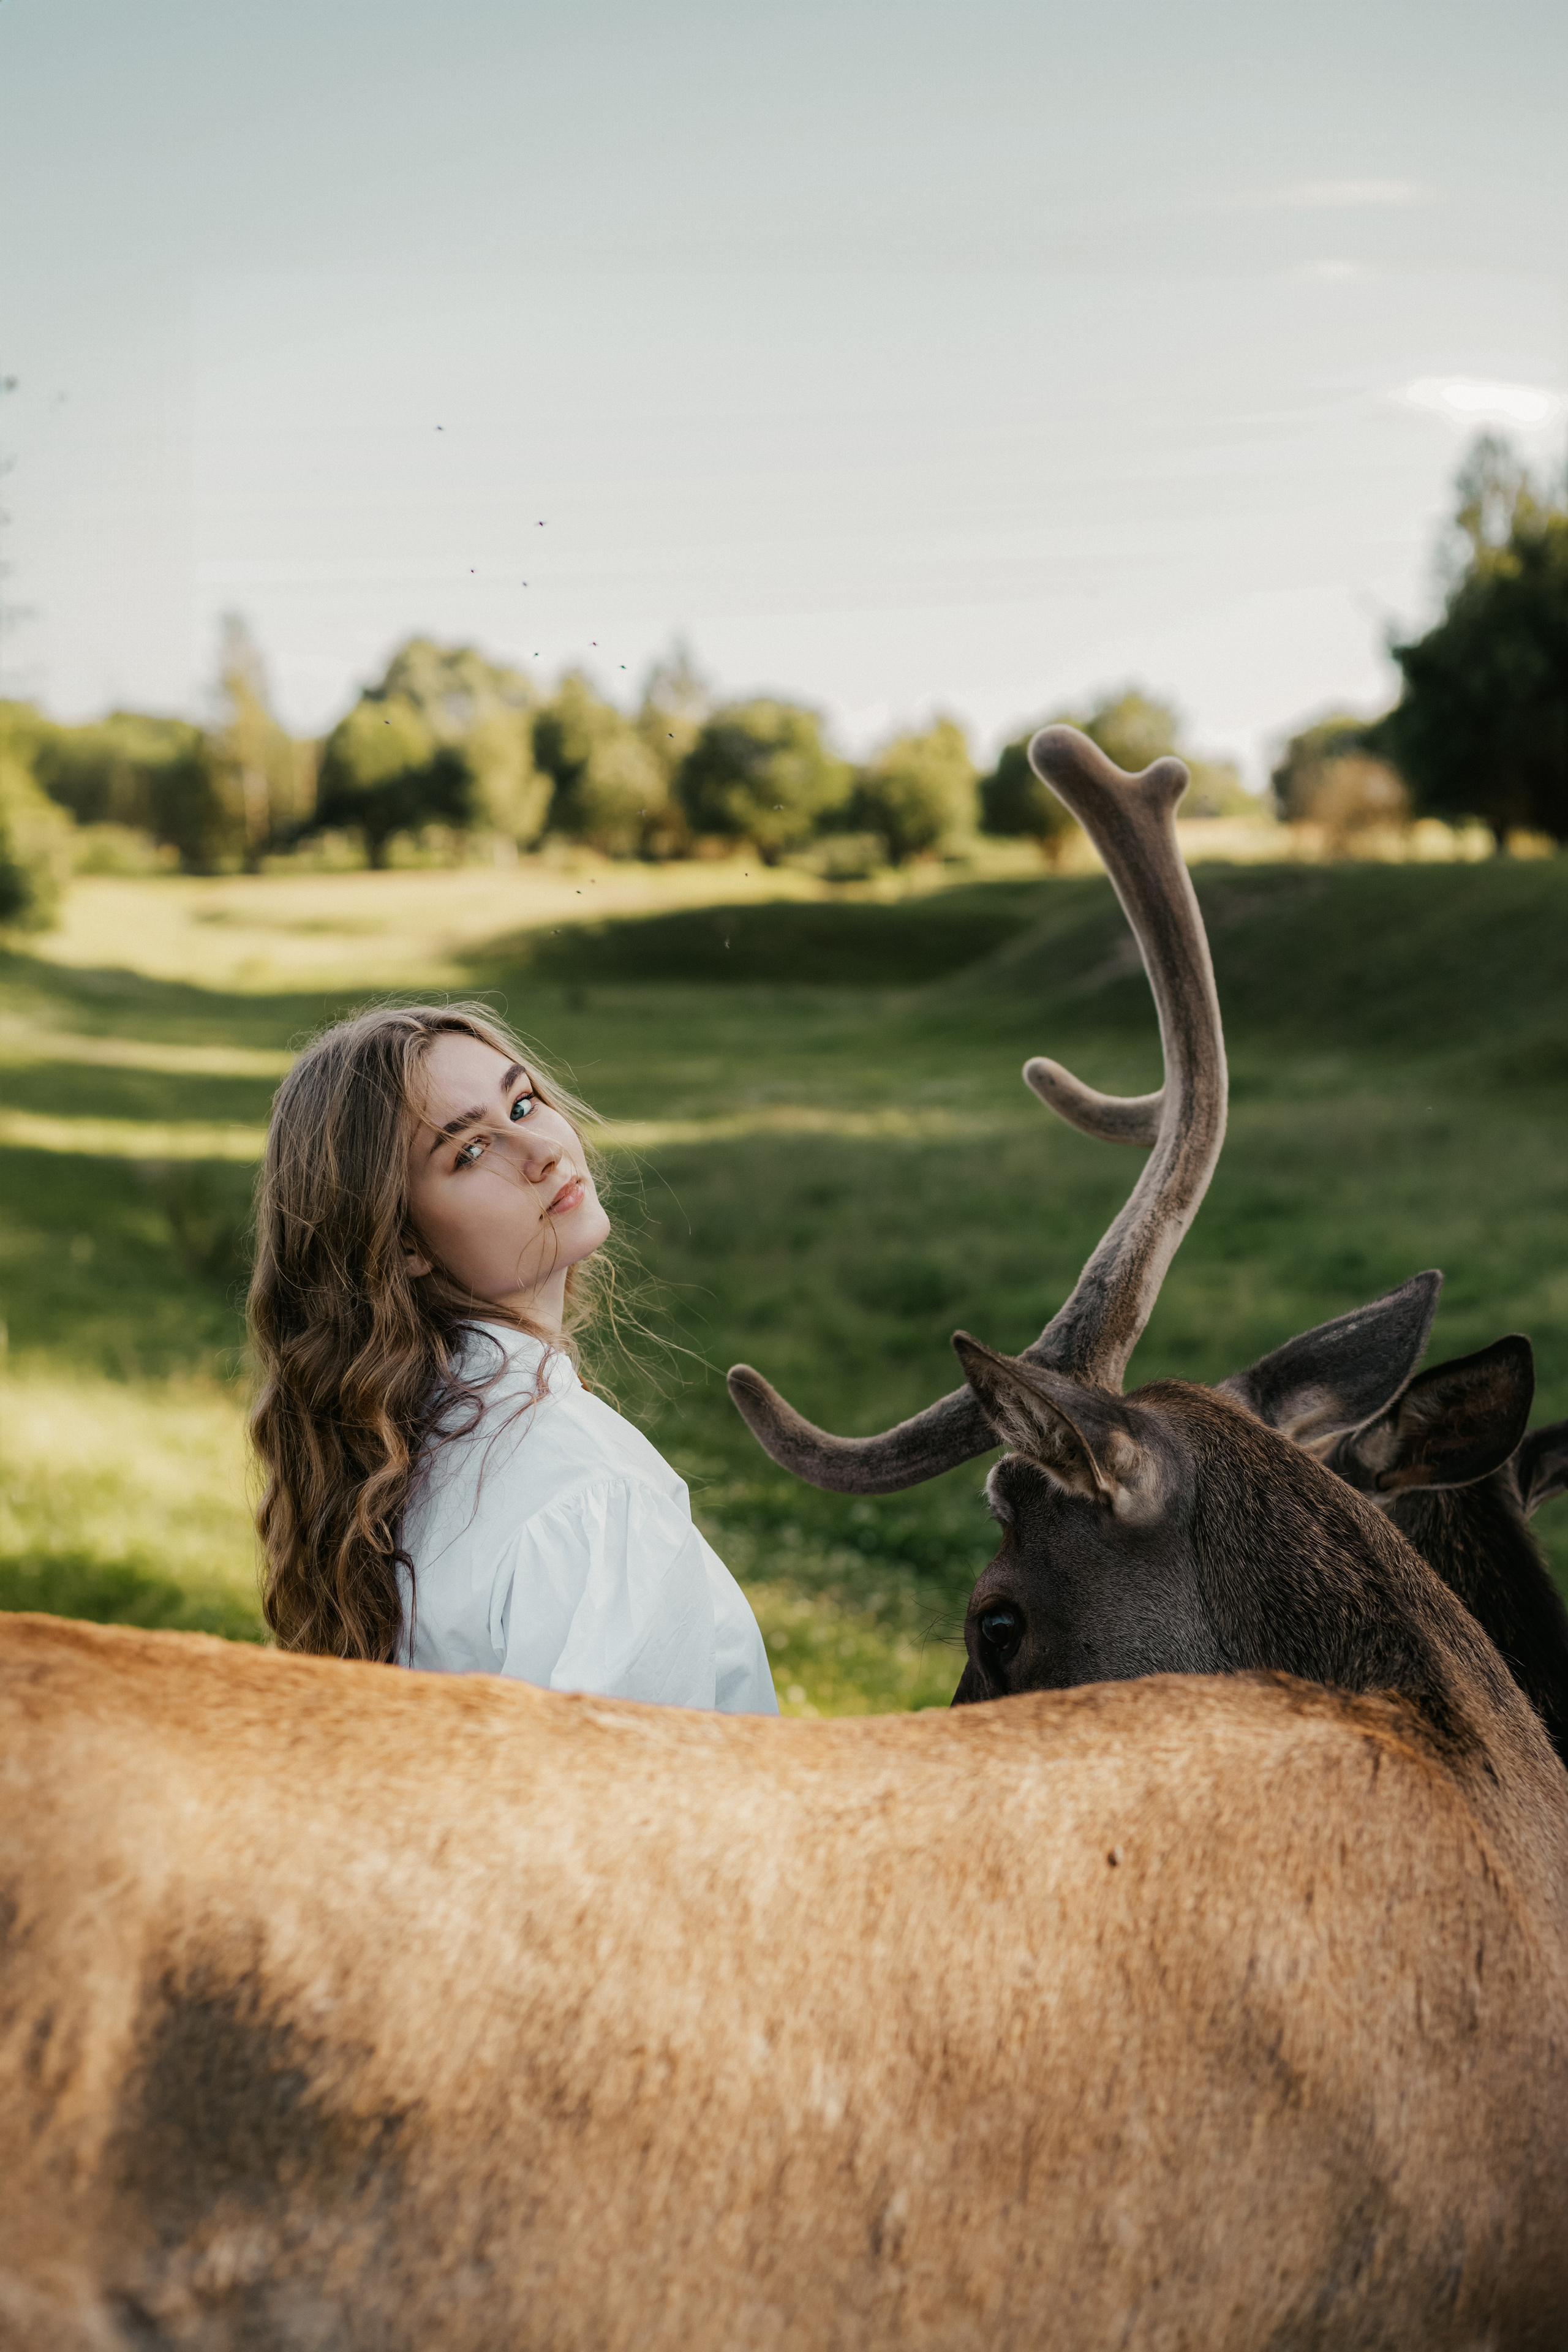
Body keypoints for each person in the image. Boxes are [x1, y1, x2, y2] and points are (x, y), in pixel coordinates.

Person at [248, 1001, 777, 1713]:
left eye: (522, 1104)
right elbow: (631, 1808)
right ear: (401, 1244)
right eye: (468, 1152)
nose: (543, 1153)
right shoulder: (590, 1495)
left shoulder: (394, 1452)